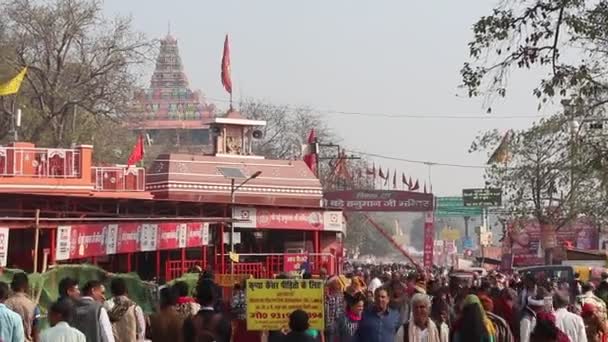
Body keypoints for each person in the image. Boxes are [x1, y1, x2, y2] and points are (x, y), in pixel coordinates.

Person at [104, 278, 146, 342]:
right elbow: (141, 331)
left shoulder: (106, 306)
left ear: (112, 291)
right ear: (126, 290)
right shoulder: (135, 308)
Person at [5, 272, 40, 342]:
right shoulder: (33, 306)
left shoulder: (5, 304)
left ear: (12, 286)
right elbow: (36, 332)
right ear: (26, 286)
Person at [324, 276, 344, 342]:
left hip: (338, 325)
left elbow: (342, 310)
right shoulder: (328, 297)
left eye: (338, 283)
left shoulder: (341, 296)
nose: (338, 284)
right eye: (336, 283)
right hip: (330, 325)